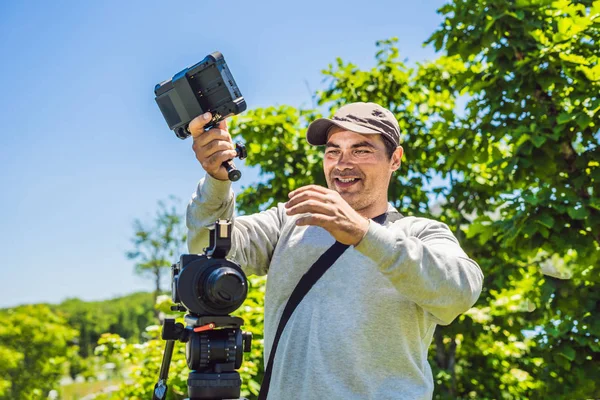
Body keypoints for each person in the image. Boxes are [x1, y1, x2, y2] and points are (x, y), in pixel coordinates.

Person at [186, 102, 484, 399]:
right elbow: (208, 252)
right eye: (333, 151)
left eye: (361, 150)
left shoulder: (419, 233)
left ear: (395, 159)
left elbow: (460, 291)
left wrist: (364, 234)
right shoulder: (291, 220)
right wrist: (216, 180)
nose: (343, 163)